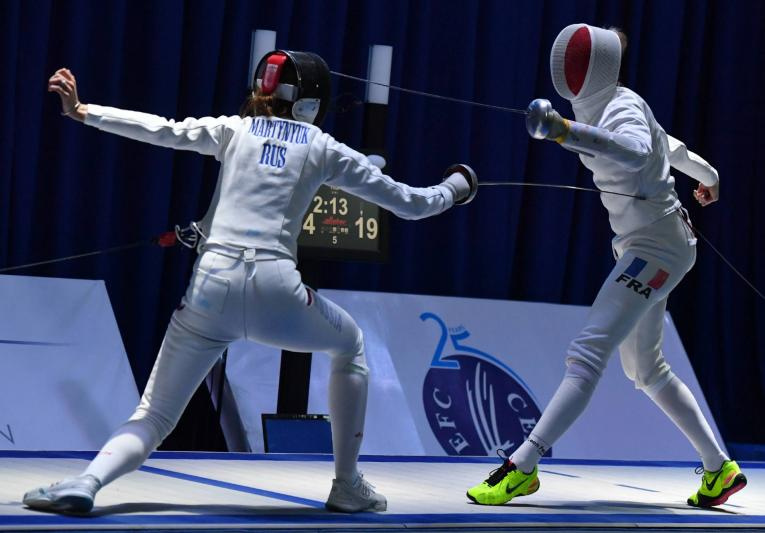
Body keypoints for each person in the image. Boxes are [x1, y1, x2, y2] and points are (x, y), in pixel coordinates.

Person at [26, 50, 477, 514]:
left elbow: (163, 129)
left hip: (210, 288)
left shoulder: (235, 130)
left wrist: (83, 110)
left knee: (154, 415)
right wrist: (456, 189)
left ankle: (87, 482)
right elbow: (411, 203)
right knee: (350, 344)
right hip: (276, 292)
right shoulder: (321, 146)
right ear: (311, 104)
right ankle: (346, 484)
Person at [466, 24, 745, 508]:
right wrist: (710, 175)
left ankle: (523, 466)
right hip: (649, 245)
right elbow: (669, 146)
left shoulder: (622, 108)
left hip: (656, 249)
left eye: (577, 63)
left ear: (596, 68)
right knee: (646, 370)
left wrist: (564, 132)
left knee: (587, 352)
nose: (569, 71)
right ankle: (719, 470)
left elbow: (638, 150)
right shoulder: (602, 107)